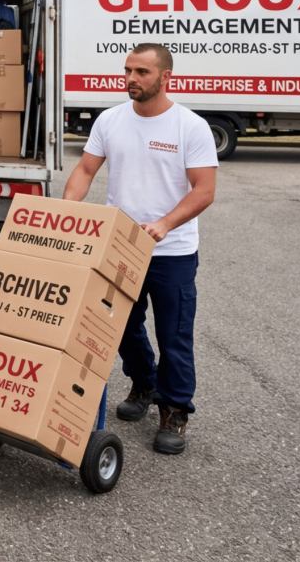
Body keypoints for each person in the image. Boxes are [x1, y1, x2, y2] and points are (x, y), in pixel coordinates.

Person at [63, 42, 217, 455]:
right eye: (128, 70)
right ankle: (145, 383)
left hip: (172, 252)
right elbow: (85, 169)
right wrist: (67, 211)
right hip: (120, 248)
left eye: (142, 72)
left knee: (174, 335)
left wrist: (164, 224)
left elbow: (204, 190)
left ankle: (175, 410)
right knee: (121, 329)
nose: (131, 78)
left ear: (166, 77)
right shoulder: (110, 120)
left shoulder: (190, 127)